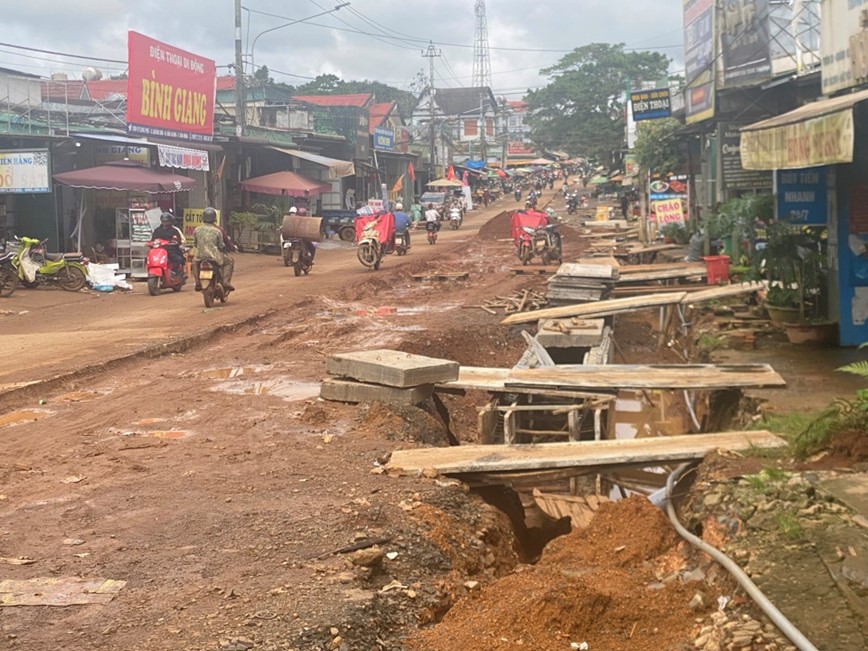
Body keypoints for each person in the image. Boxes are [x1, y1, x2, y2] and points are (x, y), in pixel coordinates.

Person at [192, 207, 235, 292]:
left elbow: (195, 244)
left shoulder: (197, 229)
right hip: (215, 257)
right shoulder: (217, 231)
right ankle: (226, 282)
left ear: (203, 218)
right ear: (214, 218)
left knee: (194, 263)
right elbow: (221, 245)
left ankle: (197, 282)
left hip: (200, 257)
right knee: (229, 261)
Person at [150, 212, 186, 276]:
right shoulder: (157, 230)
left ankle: (174, 271)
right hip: (159, 251)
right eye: (163, 221)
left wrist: (175, 243)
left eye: (167, 221)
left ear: (170, 222)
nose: (165, 223)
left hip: (171, 251)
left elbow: (178, 241)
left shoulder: (174, 230)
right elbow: (153, 240)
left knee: (179, 259)